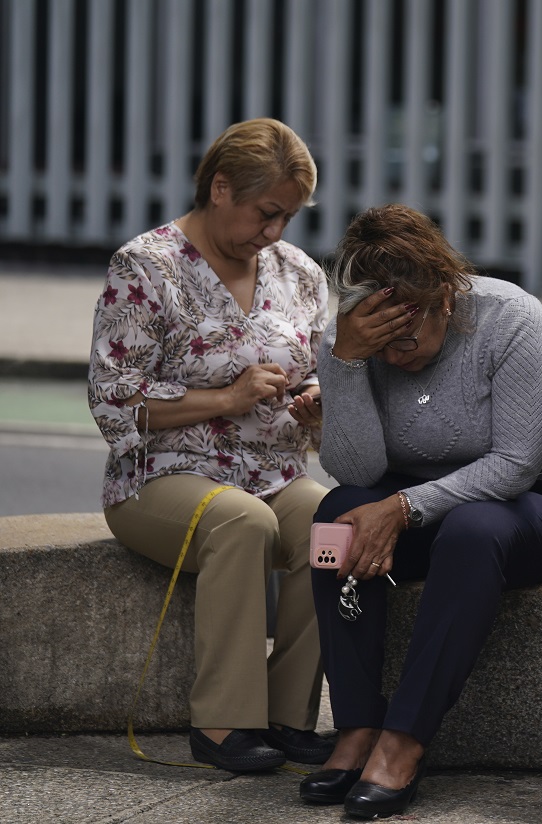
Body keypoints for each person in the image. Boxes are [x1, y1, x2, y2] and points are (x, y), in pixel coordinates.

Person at [298, 204, 542, 819]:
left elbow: (515, 464)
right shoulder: (350, 339)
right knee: (335, 515)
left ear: (445, 300)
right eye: (380, 339)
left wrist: (405, 508)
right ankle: (355, 725)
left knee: (472, 529)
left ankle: (404, 739)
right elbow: (357, 473)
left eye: (407, 333)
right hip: (405, 500)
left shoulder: (510, 318)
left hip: (531, 505)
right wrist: (346, 363)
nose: (395, 352)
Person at [87, 118, 333, 771]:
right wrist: (227, 399)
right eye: (267, 212)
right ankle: (223, 725)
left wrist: (316, 406)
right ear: (220, 188)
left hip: (273, 468)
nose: (275, 232)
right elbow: (112, 397)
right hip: (158, 479)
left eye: (289, 216)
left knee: (329, 522)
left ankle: (289, 717)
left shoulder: (300, 273)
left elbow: (320, 374)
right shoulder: (146, 266)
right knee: (243, 523)